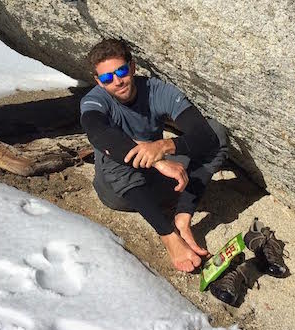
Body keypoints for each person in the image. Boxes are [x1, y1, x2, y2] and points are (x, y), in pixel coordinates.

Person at [80, 39, 229, 272]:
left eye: (121, 71)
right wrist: (157, 159)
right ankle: (169, 236)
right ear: (99, 82)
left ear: (132, 67)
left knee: (216, 134)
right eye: (107, 78)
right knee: (112, 149)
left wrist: (164, 146)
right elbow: (97, 132)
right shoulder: (94, 100)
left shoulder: (156, 90)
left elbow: (204, 134)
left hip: (160, 185)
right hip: (120, 193)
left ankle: (182, 217)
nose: (117, 81)